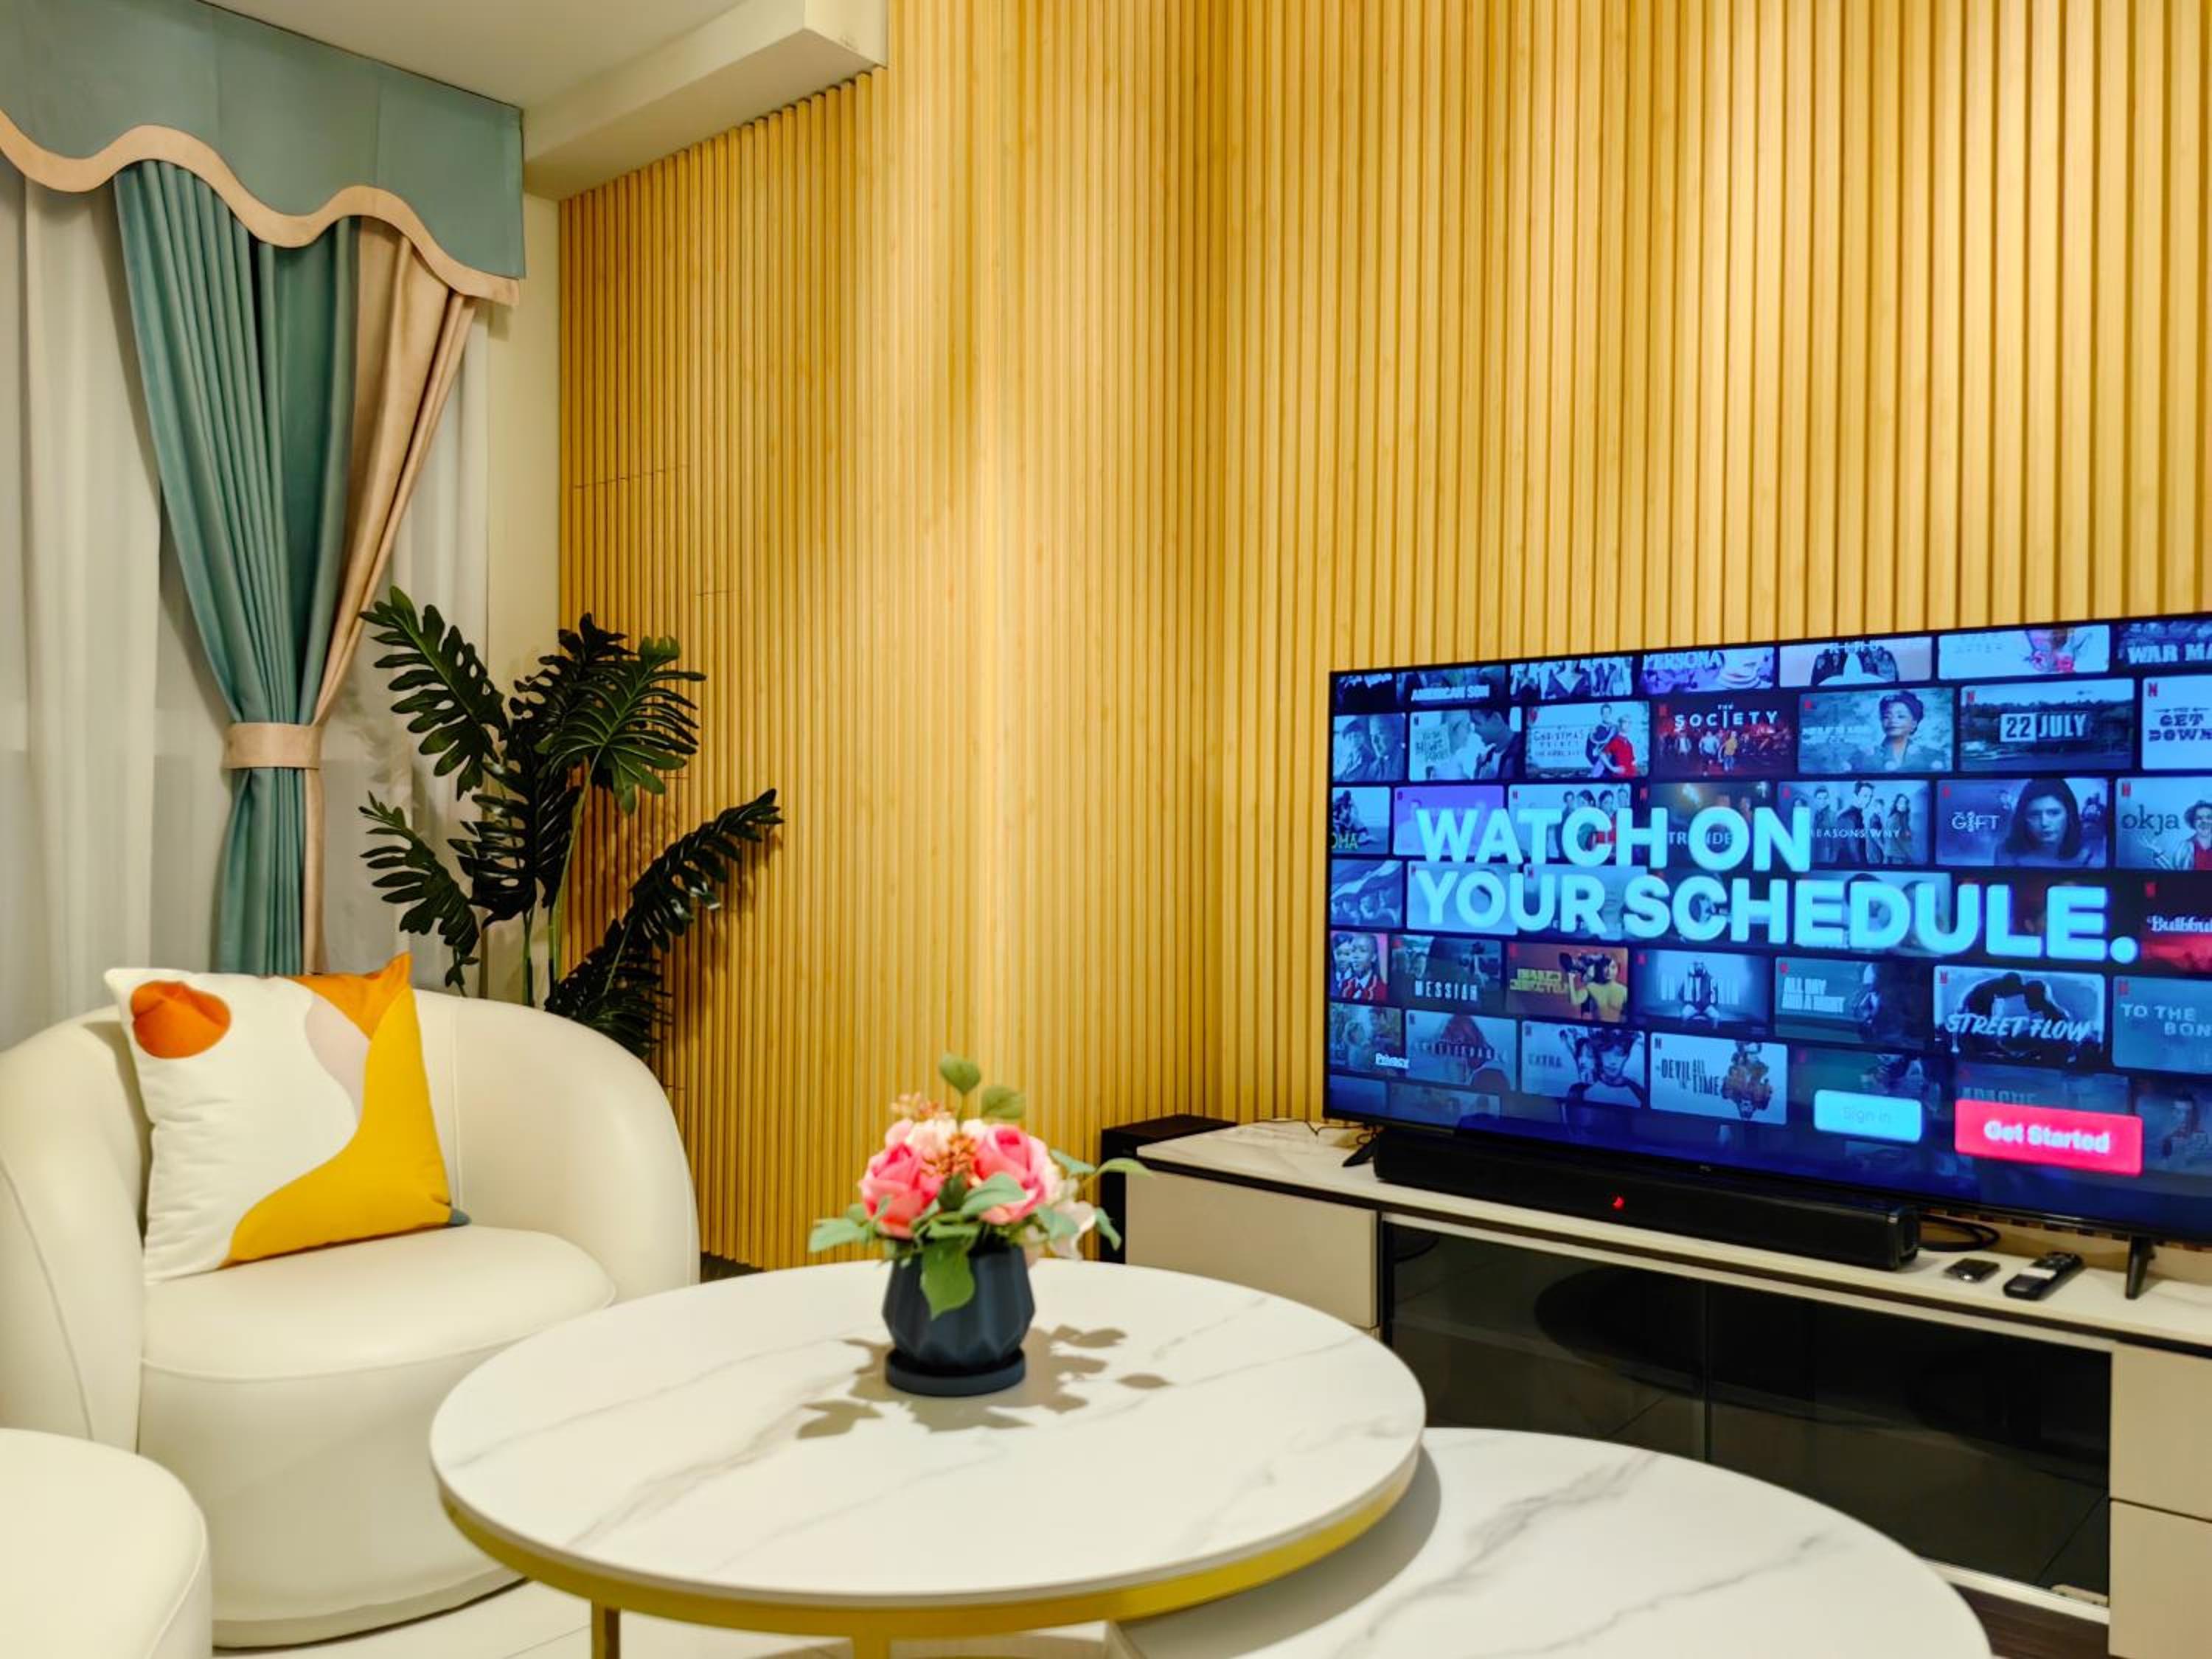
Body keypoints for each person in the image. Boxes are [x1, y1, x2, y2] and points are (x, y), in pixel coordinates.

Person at [1996, 777, 2097, 869]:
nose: (2044, 823)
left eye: (2054, 813)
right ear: (2023, 818)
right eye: (2034, 815)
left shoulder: (2089, 858)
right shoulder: (2006, 854)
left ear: (2069, 815)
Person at [1854, 689, 1943, 773]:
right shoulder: (1863, 756)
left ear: (1914, 724)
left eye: (1901, 716)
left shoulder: (1931, 757)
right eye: (1886, 717)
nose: (1892, 721)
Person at [1562, 1027, 1645, 1107]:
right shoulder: (1581, 1091)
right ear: (1599, 1053)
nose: (1612, 1062)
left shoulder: (1639, 1093)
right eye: (1607, 1053)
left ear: (1627, 1056)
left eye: (1619, 1054)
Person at [1565, 952, 1628, 1023]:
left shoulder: (1624, 991)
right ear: (1601, 968)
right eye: (1605, 967)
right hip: (1597, 1028)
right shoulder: (1591, 987)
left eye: (1613, 967)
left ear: (1618, 969)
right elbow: (1574, 1000)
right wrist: (1570, 977)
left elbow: (1630, 1015)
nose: (1609, 971)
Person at [2155, 799, 2212, 872]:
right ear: (2193, 822)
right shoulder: (2184, 846)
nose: (2204, 821)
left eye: (2209, 817)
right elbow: (2174, 872)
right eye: (2199, 818)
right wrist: (2159, 854)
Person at [1585, 702, 1638, 779]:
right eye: (1604, 713)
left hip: (1616, 770)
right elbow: (1588, 753)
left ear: (1610, 714)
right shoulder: (1595, 731)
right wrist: (1598, 763)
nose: (1606, 715)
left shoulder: (1616, 728)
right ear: (1601, 714)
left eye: (1608, 713)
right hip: (1601, 770)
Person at [1330, 932, 1387, 1003]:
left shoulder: (1382, 990)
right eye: (1353, 950)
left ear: (1374, 957)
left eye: (1363, 951)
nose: (1356, 956)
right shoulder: (1345, 985)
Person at [1885, 792, 1916, 866]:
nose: (1903, 805)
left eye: (1905, 803)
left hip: (1898, 855)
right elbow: (1900, 839)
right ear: (1896, 804)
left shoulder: (1902, 817)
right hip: (1897, 856)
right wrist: (1910, 855)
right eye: (1901, 803)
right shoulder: (1896, 818)